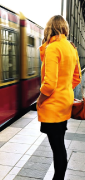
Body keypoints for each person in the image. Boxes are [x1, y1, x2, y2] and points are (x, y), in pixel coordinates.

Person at [37, 15, 81, 180]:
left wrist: (40, 100)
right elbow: (77, 78)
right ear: (64, 28)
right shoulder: (71, 47)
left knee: (57, 146)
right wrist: (64, 91)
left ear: (50, 29)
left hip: (53, 106)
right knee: (59, 144)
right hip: (64, 103)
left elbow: (49, 84)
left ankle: (58, 178)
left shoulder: (53, 48)